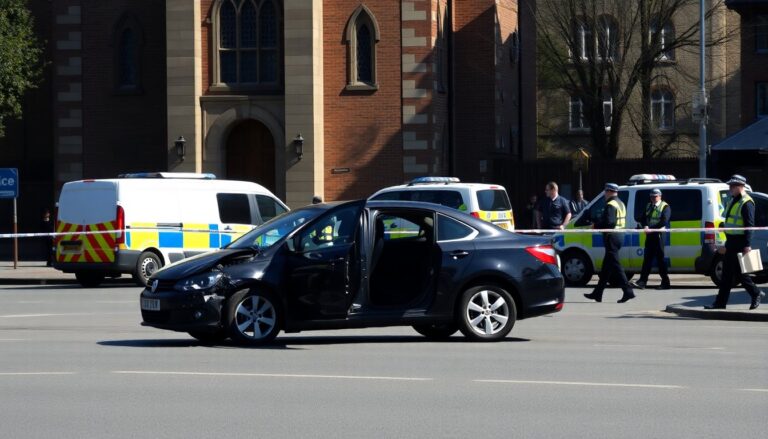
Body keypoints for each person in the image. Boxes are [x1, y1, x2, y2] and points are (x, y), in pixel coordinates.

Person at [706, 175, 764, 310]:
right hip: (731, 241)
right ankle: (720, 303)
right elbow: (731, 220)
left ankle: (755, 293)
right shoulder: (734, 200)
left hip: (739, 242)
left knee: (739, 274)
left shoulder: (747, 202)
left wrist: (747, 245)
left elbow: (749, 226)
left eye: (732, 186)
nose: (730, 188)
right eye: (730, 186)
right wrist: (723, 228)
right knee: (728, 274)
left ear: (740, 186)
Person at [584, 183, 635, 303]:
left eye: (605, 192)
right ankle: (597, 293)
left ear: (609, 191)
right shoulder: (620, 203)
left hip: (612, 237)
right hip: (619, 236)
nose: (605, 195)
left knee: (616, 265)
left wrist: (596, 225)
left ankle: (628, 291)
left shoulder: (611, 204)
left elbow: (610, 222)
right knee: (606, 267)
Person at [631, 188, 671, 290]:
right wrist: (645, 225)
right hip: (650, 235)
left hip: (659, 235)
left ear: (660, 196)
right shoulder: (649, 205)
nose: (653, 198)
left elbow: (664, 221)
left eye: (655, 196)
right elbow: (643, 217)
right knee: (647, 259)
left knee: (660, 260)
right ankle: (642, 282)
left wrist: (651, 229)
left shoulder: (665, 206)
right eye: (652, 196)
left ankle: (665, 282)